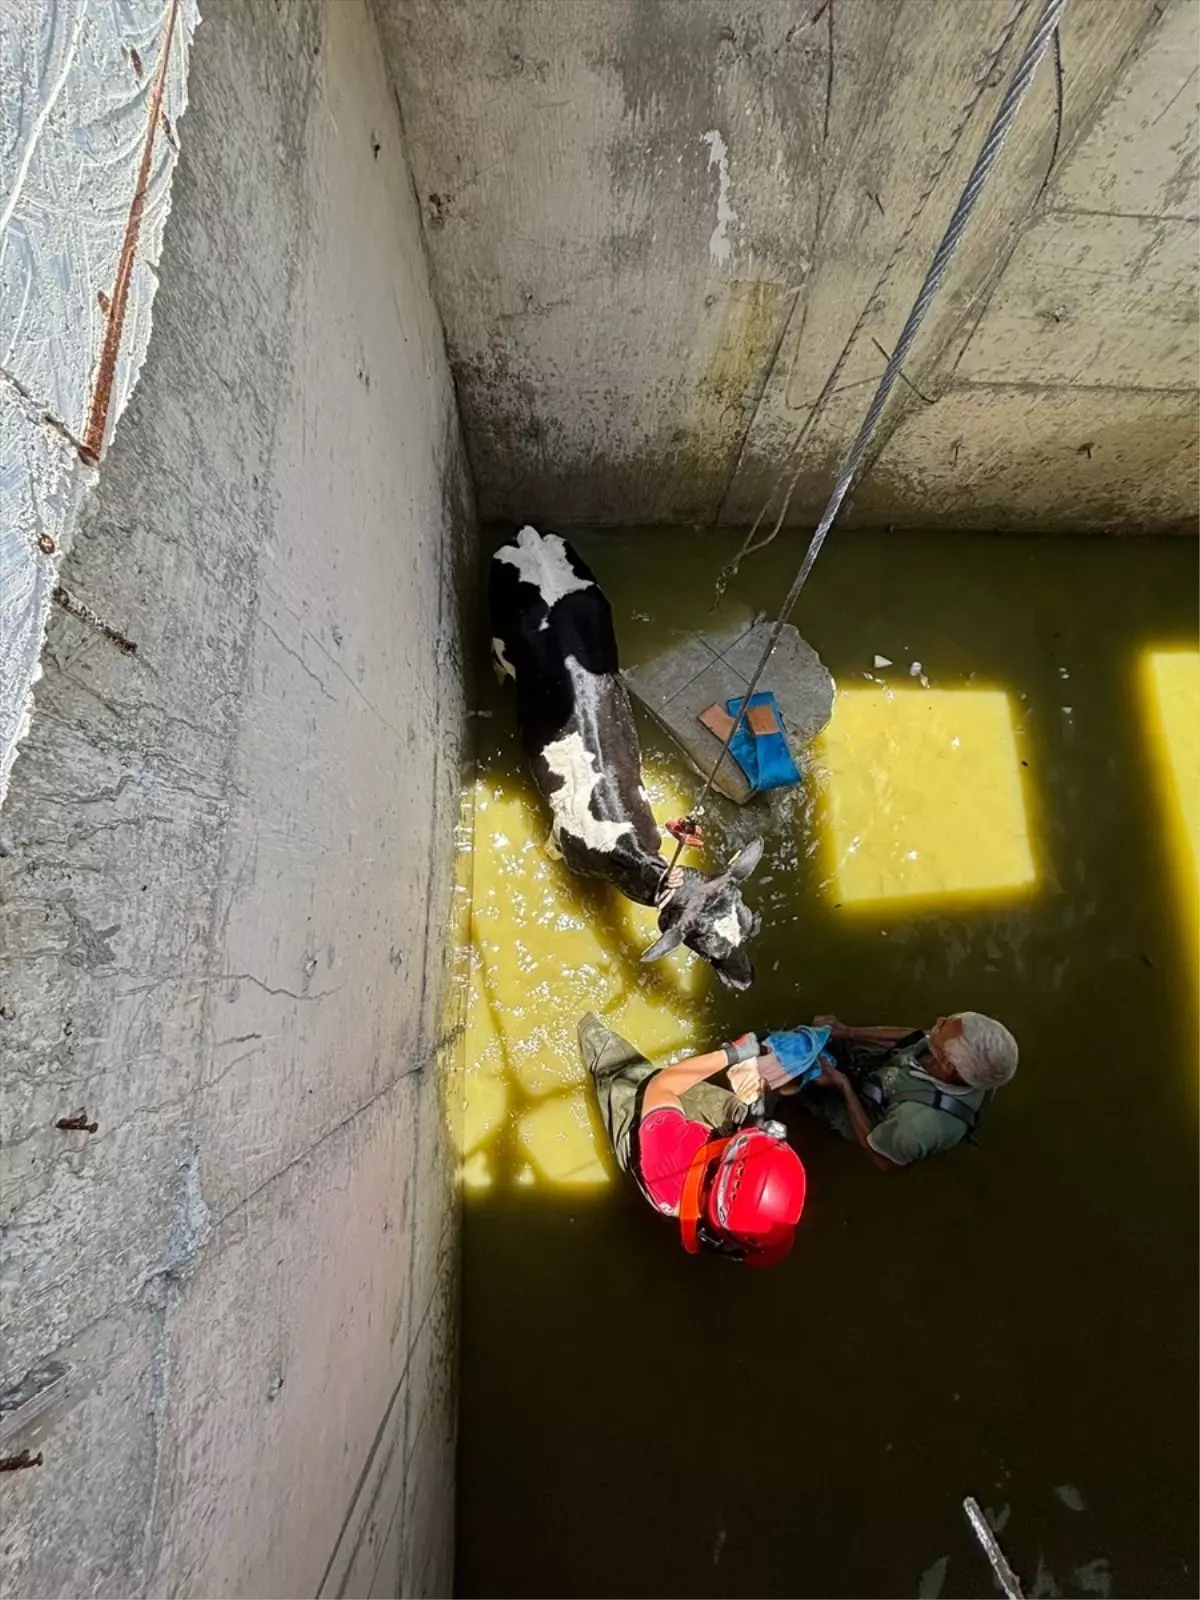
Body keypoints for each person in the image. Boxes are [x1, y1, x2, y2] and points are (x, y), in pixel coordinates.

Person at [577, 1013, 807, 1265]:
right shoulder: (736, 1227)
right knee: (746, 1111)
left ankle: (580, 1023)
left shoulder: (668, 1162)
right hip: (705, 1172)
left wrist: (731, 1054)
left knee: (621, 1070)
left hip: (651, 1133)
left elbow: (661, 1086)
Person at [771, 1012, 1018, 1171]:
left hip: (871, 1114)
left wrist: (843, 1087)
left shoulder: (917, 1126)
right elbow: (916, 1038)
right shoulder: (968, 1066)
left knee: (791, 1093)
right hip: (886, 1072)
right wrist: (847, 1032)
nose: (939, 1020)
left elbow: (881, 1159)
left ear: (947, 1066)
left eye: (944, 1026)